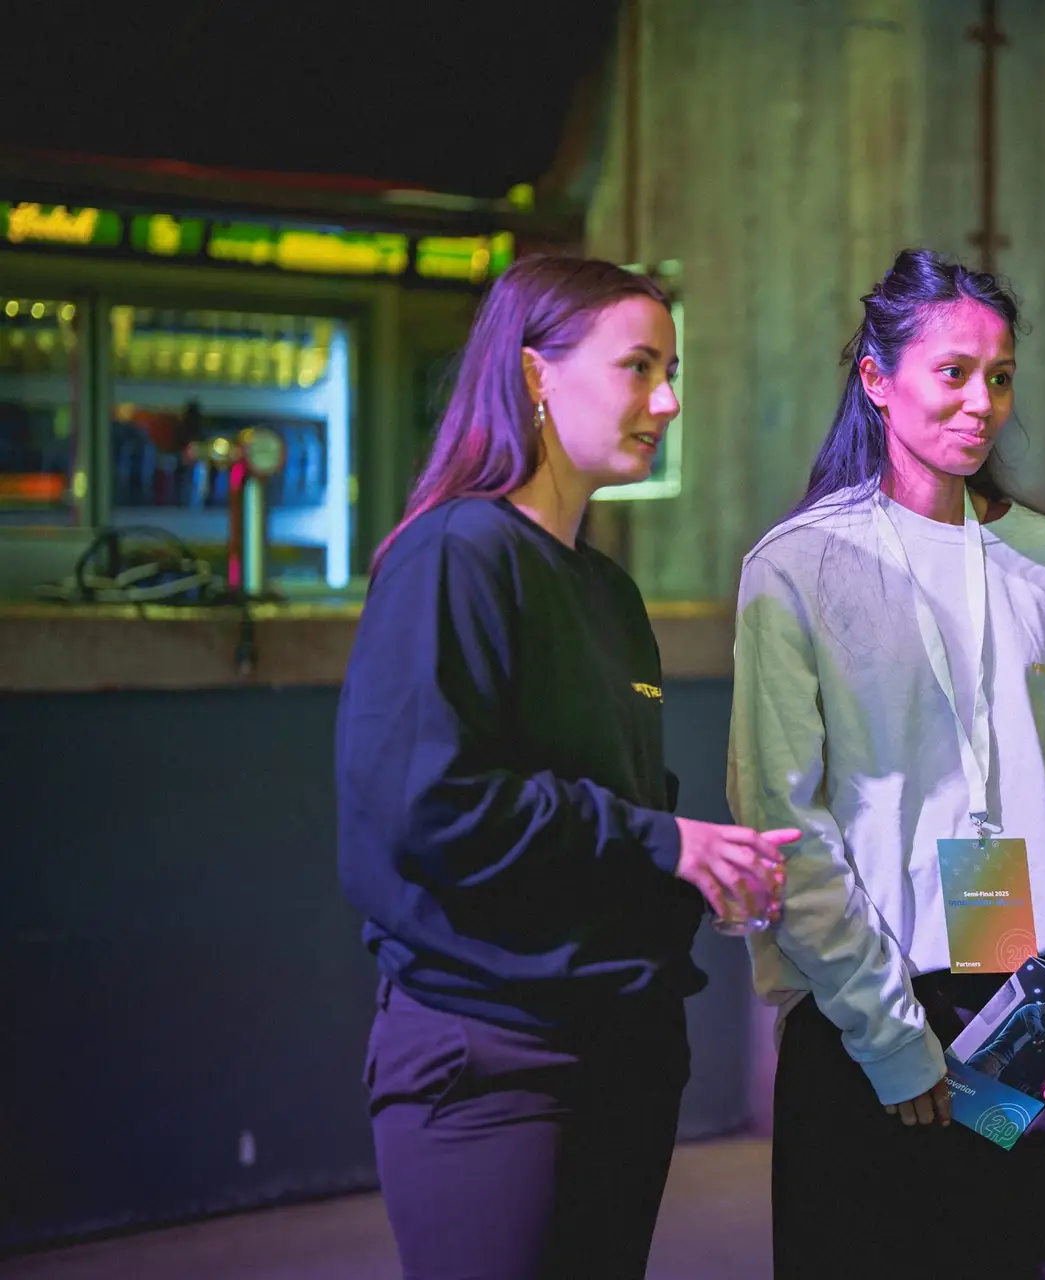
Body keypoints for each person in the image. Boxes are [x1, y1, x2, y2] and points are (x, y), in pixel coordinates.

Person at [336, 254, 792, 1279]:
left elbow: (621, 818)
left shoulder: (608, 593)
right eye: (639, 367)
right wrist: (663, 842)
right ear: (535, 372)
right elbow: (434, 806)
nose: (667, 402)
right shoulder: (455, 554)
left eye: (671, 371)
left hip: (624, 1047)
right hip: (494, 1057)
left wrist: (707, 872)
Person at [727, 249, 1045, 1279]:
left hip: (1039, 1016)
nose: (981, 403)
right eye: (953, 372)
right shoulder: (798, 567)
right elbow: (785, 820)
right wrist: (888, 1036)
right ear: (878, 380)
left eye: (999, 377)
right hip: (872, 1018)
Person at [965, 990, 1045, 1094]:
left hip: (998, 1065)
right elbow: (1039, 1033)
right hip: (988, 1061)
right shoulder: (1031, 1009)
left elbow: (1036, 1037)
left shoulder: (1037, 1018)